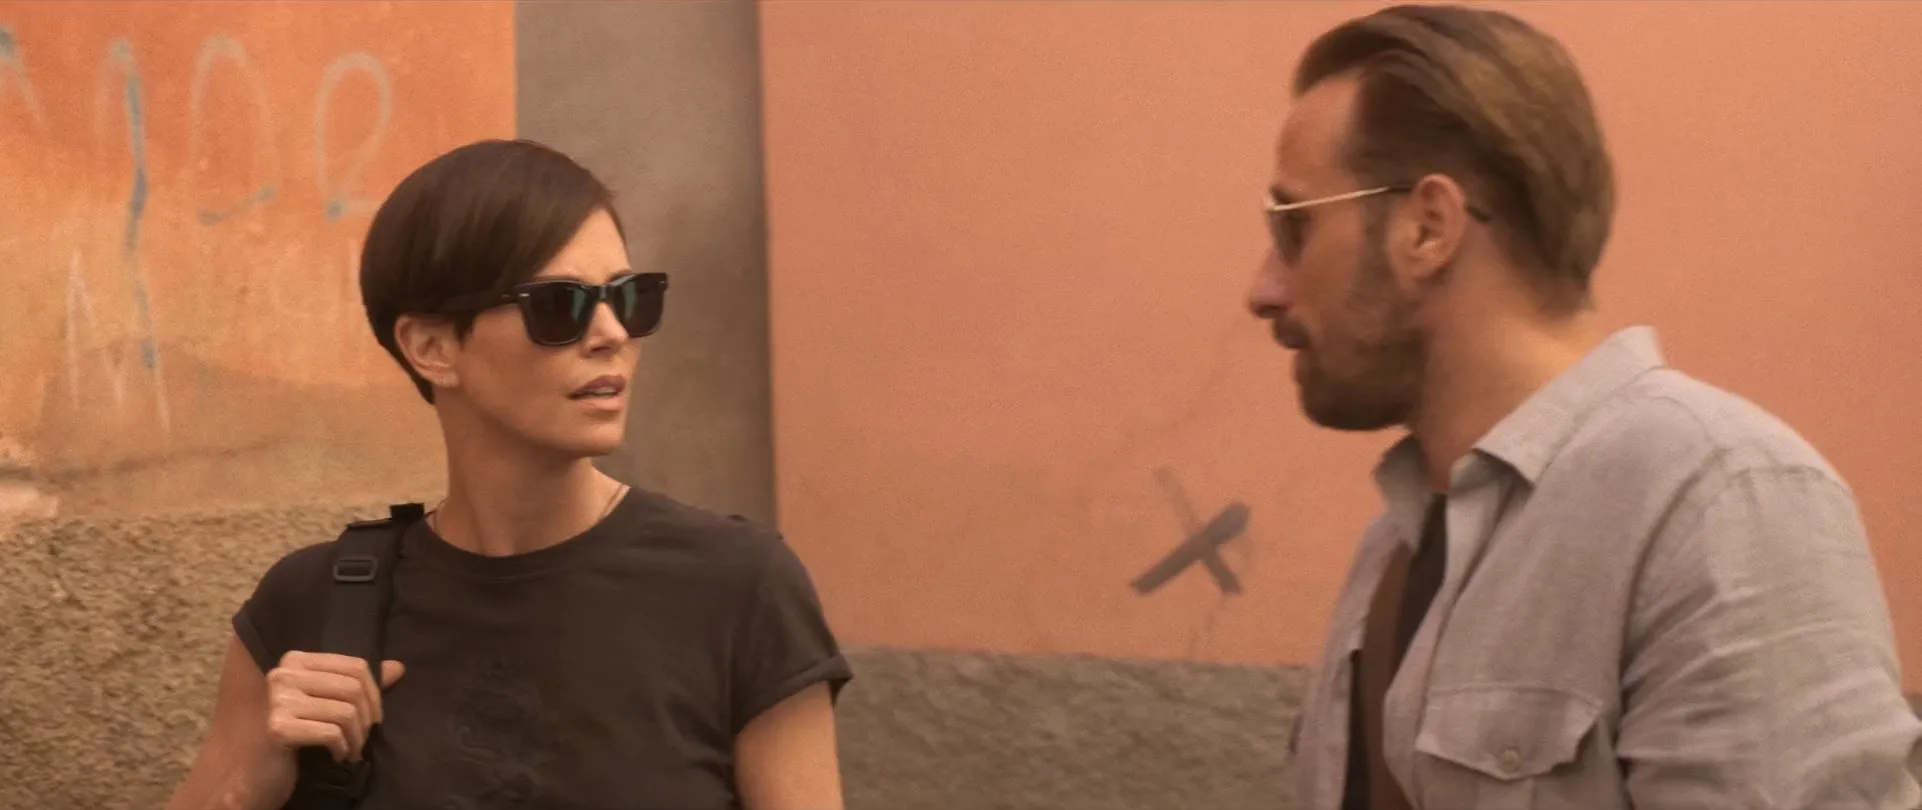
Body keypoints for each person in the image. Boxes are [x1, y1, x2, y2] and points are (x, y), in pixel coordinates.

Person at [1247, 5, 1920, 809]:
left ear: (1428, 228)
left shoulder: (1720, 499)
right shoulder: (1394, 546)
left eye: (1292, 228)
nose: (1264, 289)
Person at [166, 139, 851, 810]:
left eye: (628, 297)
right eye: (559, 305)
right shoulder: (312, 606)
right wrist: (247, 781)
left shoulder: (738, 588)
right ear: (431, 347)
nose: (612, 333)